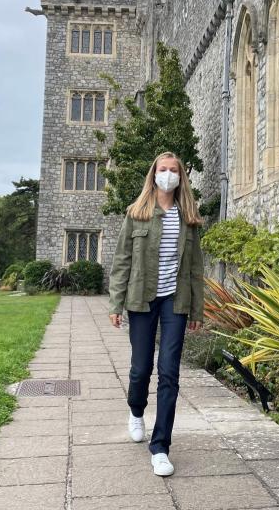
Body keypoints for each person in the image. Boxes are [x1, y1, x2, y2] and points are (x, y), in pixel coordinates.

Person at [108, 151, 205, 476]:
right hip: (141, 299)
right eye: (163, 170)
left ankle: (161, 446)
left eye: (173, 170)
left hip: (175, 301)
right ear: (154, 174)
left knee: (169, 372)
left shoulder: (188, 216)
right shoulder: (137, 213)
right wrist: (116, 303)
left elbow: (194, 268)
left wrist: (197, 308)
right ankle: (136, 411)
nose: (168, 175)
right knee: (140, 368)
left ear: (181, 176)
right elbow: (122, 260)